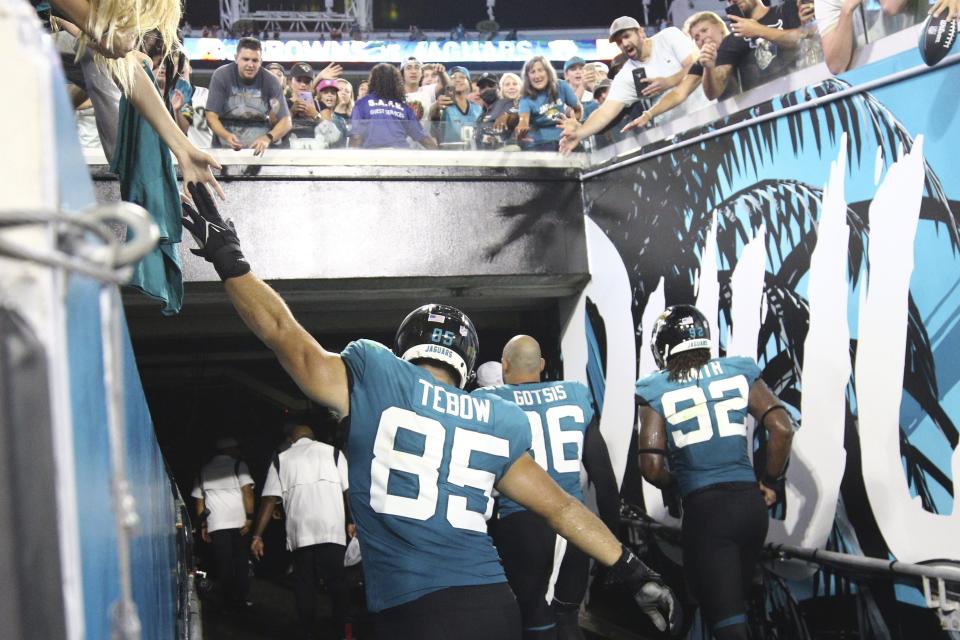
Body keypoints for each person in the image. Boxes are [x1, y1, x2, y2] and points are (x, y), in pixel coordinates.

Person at [179, 183, 680, 640]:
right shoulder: (495, 415)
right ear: (465, 361)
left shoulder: (376, 375)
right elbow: (564, 508)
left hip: (412, 612)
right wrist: (634, 571)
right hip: (493, 607)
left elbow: (285, 337)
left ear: (405, 349)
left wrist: (229, 260)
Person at [635, 305, 795, 640]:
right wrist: (771, 482)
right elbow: (781, 428)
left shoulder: (655, 387)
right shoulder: (738, 370)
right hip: (750, 506)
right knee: (743, 604)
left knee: (727, 622)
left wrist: (680, 484)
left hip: (707, 511)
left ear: (663, 347)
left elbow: (651, 467)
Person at [479, 336, 621, 639]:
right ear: (542, 365)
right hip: (575, 525)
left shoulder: (489, 400)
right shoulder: (574, 394)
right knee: (568, 619)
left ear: (504, 365)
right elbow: (604, 477)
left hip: (521, 523)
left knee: (533, 619)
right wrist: (611, 540)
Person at [251, 424, 353, 640]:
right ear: (313, 437)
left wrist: (257, 535)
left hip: (300, 532)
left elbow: (269, 499)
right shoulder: (333, 453)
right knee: (337, 583)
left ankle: (308, 631)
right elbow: (348, 491)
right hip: (332, 529)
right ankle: (344, 631)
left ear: (291, 440)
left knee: (304, 585)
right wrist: (353, 521)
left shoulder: (281, 459)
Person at [559, 16, 707, 154]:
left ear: (641, 32)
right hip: (679, 138)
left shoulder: (669, 37)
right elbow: (605, 112)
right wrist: (579, 133)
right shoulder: (627, 75)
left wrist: (669, 81)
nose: (624, 44)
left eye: (626, 36)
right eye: (619, 41)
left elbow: (696, 65)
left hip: (711, 116)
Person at [621, 11, 729, 133]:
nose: (702, 38)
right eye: (696, 37)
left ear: (720, 26)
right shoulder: (701, 63)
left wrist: (668, 82)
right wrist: (648, 115)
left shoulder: (739, 40)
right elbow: (679, 93)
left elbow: (723, 75)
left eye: (705, 30)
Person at [700, 0, 813, 101]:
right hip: (765, 108)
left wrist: (759, 30)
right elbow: (713, 93)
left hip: (806, 90)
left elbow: (804, 39)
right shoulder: (731, 41)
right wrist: (708, 68)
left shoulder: (787, 9)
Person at [192, 437, 255, 611]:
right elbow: (248, 492)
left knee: (224, 563)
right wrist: (250, 518)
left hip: (216, 524)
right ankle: (242, 598)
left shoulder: (204, 470)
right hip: (239, 522)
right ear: (231, 449)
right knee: (241, 561)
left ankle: (228, 599)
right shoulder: (239, 466)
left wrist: (204, 525)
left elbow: (199, 501)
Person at [205, 37, 292, 155]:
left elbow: (286, 121)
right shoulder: (221, 75)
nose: (250, 64)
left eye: (255, 60)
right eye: (245, 59)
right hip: (223, 149)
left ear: (261, 61)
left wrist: (268, 138)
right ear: (236, 58)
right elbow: (211, 116)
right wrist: (226, 135)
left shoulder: (271, 80)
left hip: (258, 152)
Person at [350, 63, 438, 149]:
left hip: (373, 157)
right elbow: (424, 138)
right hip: (400, 157)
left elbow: (356, 137)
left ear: (372, 81)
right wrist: (441, 157)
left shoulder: (362, 104)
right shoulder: (404, 108)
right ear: (396, 82)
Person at [516, 56, 581, 152]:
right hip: (539, 143)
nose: (537, 76)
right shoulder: (525, 98)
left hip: (564, 138)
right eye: (532, 72)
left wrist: (573, 122)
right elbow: (523, 119)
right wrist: (521, 128)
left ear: (548, 72)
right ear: (528, 77)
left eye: (540, 70)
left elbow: (578, 109)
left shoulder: (561, 86)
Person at [430, 65, 483, 145]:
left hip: (473, 154)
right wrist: (436, 106)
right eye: (453, 78)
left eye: (462, 77)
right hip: (450, 154)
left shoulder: (478, 108)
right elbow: (433, 116)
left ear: (469, 83)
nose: (458, 80)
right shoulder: (443, 105)